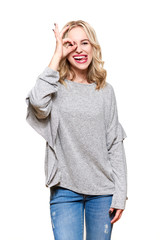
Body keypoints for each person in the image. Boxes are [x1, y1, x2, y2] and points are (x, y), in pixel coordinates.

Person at [25, 20, 128, 240]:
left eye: (84, 42)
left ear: (93, 47)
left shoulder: (105, 91)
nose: (79, 49)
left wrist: (120, 194)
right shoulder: (55, 88)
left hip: (102, 192)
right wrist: (56, 56)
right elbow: (37, 103)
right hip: (65, 190)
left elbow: (114, 144)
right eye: (70, 45)